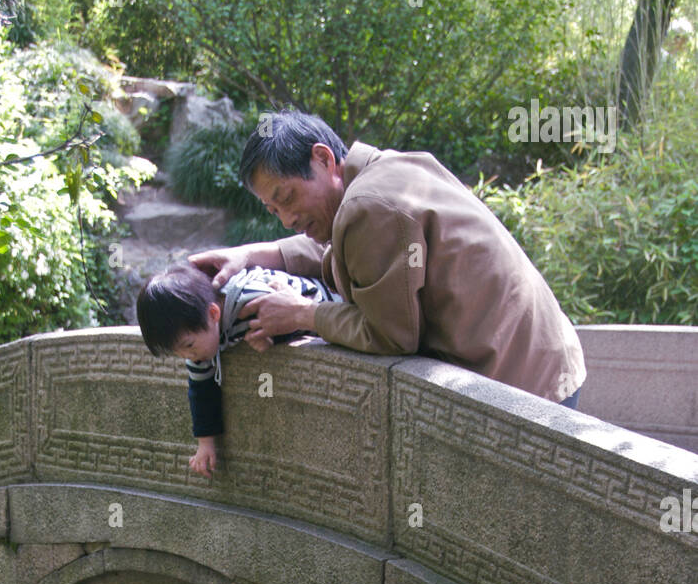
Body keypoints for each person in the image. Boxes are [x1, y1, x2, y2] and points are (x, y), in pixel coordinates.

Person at [190, 111, 586, 409]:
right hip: (545, 364)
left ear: (323, 160)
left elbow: (391, 336)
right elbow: (346, 247)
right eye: (274, 210)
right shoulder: (388, 172)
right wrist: (254, 254)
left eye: (288, 197)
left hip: (526, 391)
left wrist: (301, 315)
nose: (289, 219)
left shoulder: (369, 207)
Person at [136, 262, 340, 477]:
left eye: (188, 346)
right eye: (177, 352)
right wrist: (205, 444)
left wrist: (276, 337)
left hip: (334, 308)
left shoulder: (251, 301)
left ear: (213, 314)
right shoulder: (198, 337)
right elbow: (201, 389)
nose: (188, 356)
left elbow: (303, 309)